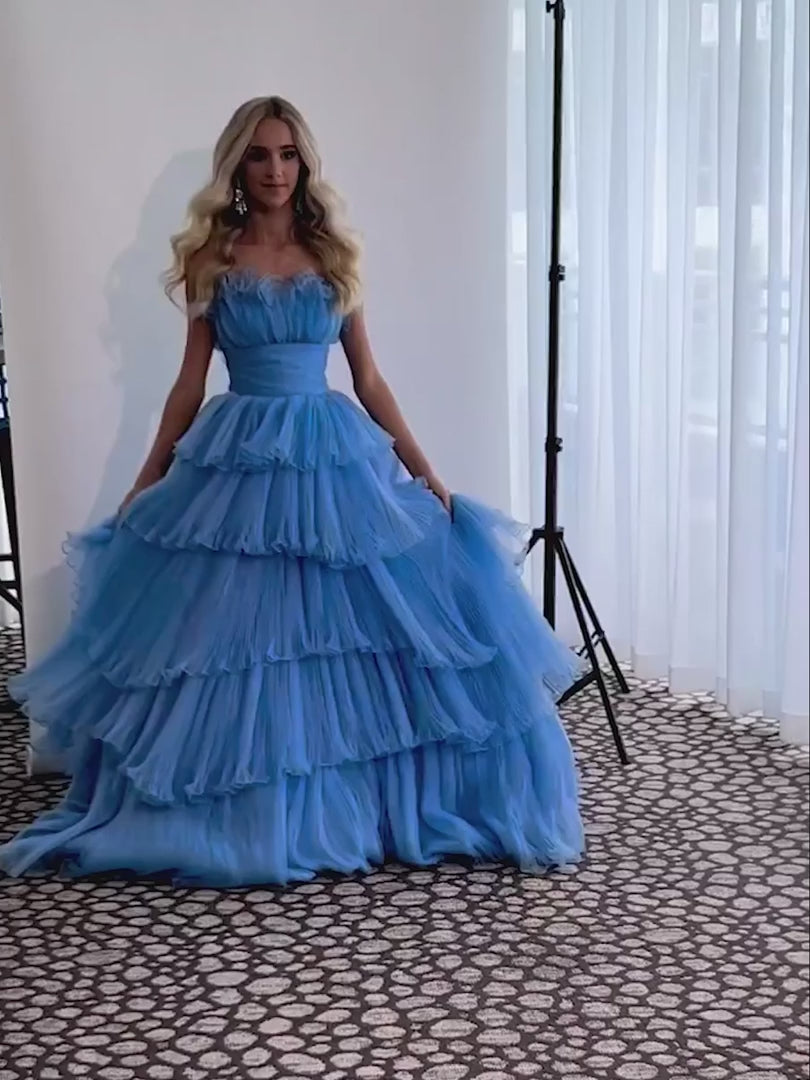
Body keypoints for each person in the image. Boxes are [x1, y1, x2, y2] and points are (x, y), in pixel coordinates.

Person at [0, 97, 584, 886]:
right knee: (236, 641)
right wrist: (146, 479)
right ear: (236, 168)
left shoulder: (334, 254)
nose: (274, 170)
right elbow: (188, 384)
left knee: (348, 634)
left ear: (304, 164)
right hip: (239, 456)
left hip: (328, 454)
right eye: (258, 155)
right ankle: (247, 805)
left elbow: (368, 378)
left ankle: (355, 799)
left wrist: (427, 473)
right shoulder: (212, 258)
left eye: (287, 155)